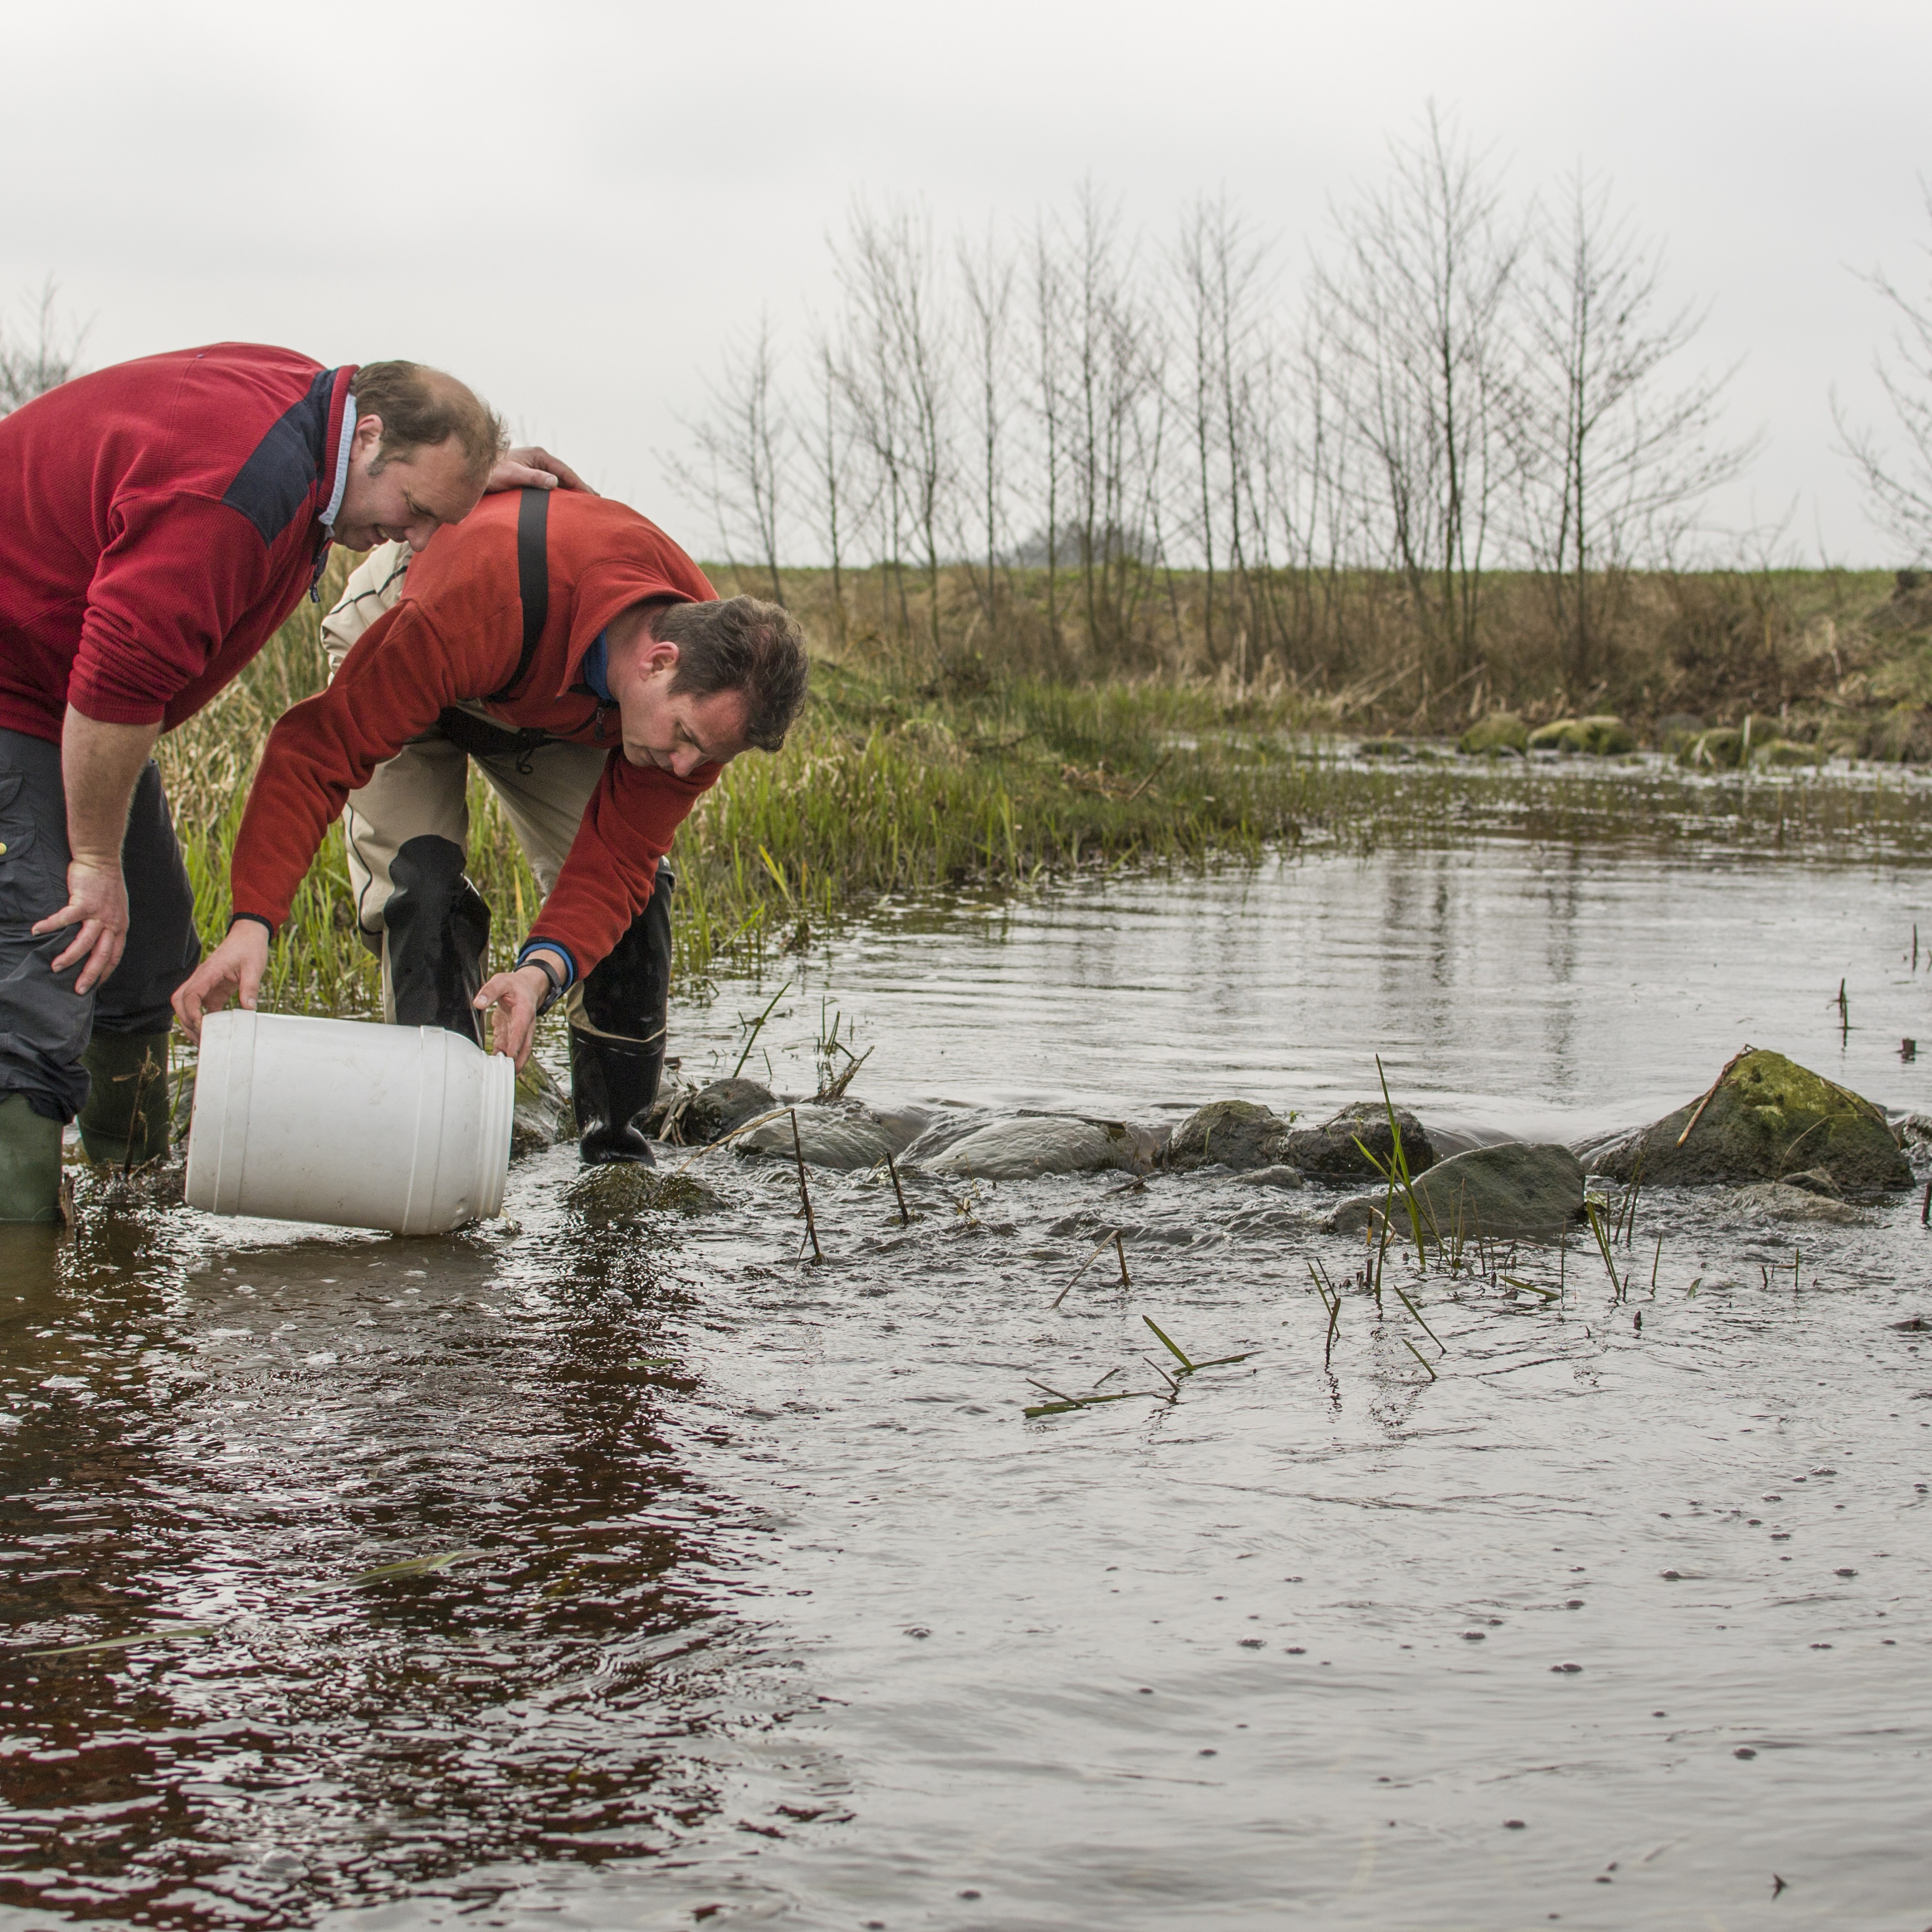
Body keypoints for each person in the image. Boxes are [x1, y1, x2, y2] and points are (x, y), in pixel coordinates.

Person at [0, 342, 586, 1221]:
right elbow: (115, 685)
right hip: (27, 695)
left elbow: (395, 461)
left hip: (66, 699)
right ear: (371, 440)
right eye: (414, 510)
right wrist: (91, 858)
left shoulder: (324, 421)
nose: (410, 538)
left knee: (150, 952)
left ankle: (127, 1210)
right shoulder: (239, 495)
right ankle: (25, 1265)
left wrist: (460, 482)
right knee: (62, 952)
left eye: (434, 519)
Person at [173, 486, 809, 1166]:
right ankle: (442, 1152)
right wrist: (253, 922)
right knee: (427, 890)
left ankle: (614, 1160)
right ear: (658, 661)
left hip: (559, 693)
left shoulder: (706, 714)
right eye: (683, 737)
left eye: (705, 756)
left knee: (639, 901)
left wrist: (538, 974)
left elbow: (617, 860)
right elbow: (318, 752)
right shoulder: (476, 604)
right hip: (426, 620)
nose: (685, 766)